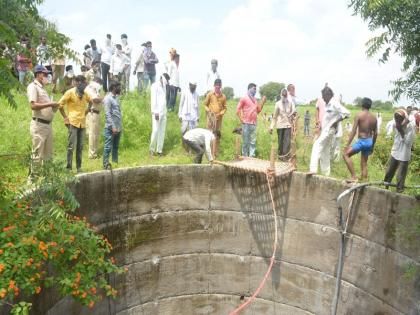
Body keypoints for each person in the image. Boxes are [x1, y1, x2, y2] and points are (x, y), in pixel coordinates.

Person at [58, 75, 101, 172]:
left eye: (85, 84)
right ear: (77, 83)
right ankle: (69, 168)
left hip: (82, 123)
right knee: (71, 146)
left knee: (80, 147)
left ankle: (79, 167)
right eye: (83, 83)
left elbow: (91, 101)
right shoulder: (70, 93)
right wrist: (65, 118)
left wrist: (86, 111)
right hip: (72, 122)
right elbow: (60, 105)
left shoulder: (85, 93)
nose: (84, 86)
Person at [309, 86, 350, 176]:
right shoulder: (328, 105)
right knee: (325, 152)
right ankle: (326, 173)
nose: (322, 98)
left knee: (316, 145)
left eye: (323, 95)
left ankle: (313, 169)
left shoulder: (334, 103)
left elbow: (347, 113)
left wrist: (336, 122)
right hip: (325, 130)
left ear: (328, 94)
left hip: (329, 130)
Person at [27, 65, 59, 166]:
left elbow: (47, 107)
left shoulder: (43, 89)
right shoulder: (33, 86)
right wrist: (50, 104)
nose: (46, 76)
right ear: (38, 74)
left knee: (48, 155)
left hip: (48, 125)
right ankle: (33, 180)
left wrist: (54, 106)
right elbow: (33, 105)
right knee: (37, 155)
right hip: (39, 125)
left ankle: (47, 180)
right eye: (45, 74)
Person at [343, 97, 377, 182]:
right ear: (370, 106)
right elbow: (376, 133)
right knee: (364, 163)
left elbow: (353, 131)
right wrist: (372, 145)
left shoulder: (359, 115)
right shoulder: (374, 118)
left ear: (362, 105)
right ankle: (364, 181)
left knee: (345, 154)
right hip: (369, 141)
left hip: (362, 141)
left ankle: (354, 177)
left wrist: (347, 145)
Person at [384, 109, 416, 192]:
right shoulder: (396, 124)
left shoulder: (410, 127)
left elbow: (408, 143)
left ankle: (399, 193)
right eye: (396, 118)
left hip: (404, 155)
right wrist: (399, 126)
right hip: (394, 152)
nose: (398, 120)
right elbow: (394, 126)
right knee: (388, 173)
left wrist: (401, 131)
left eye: (400, 118)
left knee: (400, 177)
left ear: (404, 118)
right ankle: (385, 189)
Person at [237, 83, 266, 157]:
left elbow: (258, 111)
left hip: (254, 123)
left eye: (256, 89)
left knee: (253, 142)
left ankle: (252, 157)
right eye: (254, 89)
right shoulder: (244, 98)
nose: (255, 91)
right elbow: (237, 110)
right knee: (245, 142)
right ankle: (244, 157)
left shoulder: (255, 100)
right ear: (249, 89)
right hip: (246, 123)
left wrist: (262, 102)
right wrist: (242, 120)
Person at [269, 88, 295, 160]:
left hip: (288, 125)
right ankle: (280, 156)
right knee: (280, 142)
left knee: (287, 142)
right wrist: (271, 127)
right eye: (283, 96)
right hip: (280, 125)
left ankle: (286, 157)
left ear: (287, 95)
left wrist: (291, 114)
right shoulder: (277, 104)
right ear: (281, 95)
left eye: (285, 96)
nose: (284, 97)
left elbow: (294, 111)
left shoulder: (290, 103)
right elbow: (274, 117)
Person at [203, 78, 227, 157]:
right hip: (210, 119)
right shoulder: (210, 94)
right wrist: (209, 112)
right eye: (216, 86)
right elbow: (205, 105)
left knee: (217, 135)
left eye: (219, 86)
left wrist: (220, 113)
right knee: (209, 135)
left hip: (218, 119)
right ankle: (208, 152)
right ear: (214, 86)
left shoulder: (223, 96)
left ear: (221, 86)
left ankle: (215, 153)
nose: (218, 87)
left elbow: (225, 108)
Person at [103, 81, 122, 169]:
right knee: (108, 147)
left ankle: (115, 163)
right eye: (118, 86)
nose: (119, 88)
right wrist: (113, 127)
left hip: (118, 127)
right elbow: (107, 114)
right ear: (113, 87)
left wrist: (118, 127)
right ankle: (106, 164)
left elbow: (118, 113)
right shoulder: (108, 98)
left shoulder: (116, 98)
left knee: (116, 147)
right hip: (111, 128)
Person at [150, 73, 170, 156]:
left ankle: (159, 150)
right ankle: (151, 149)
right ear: (162, 78)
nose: (167, 82)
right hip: (157, 113)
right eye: (166, 80)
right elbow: (153, 99)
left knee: (162, 132)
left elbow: (164, 100)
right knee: (155, 131)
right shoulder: (155, 86)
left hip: (163, 112)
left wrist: (165, 112)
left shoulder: (164, 86)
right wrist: (155, 112)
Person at [85, 77, 103, 159]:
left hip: (96, 113)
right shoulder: (91, 87)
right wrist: (103, 98)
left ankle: (94, 153)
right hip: (93, 113)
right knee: (93, 134)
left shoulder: (94, 88)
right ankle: (92, 155)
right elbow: (95, 100)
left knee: (95, 134)